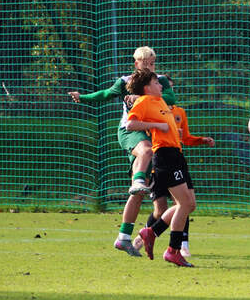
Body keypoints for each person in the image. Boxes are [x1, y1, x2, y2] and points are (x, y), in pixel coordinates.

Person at [68, 46, 175, 254]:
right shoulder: (127, 81)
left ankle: (124, 237)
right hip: (131, 131)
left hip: (152, 134)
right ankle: (138, 181)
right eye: (145, 63)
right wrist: (83, 97)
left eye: (152, 63)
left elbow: (171, 99)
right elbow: (105, 94)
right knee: (145, 153)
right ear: (136, 64)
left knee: (140, 193)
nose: (150, 67)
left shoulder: (159, 81)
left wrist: (142, 99)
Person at [128, 71, 196, 267]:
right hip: (165, 156)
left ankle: (152, 232)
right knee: (184, 204)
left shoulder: (160, 101)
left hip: (176, 155)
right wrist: (156, 125)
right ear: (147, 87)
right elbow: (130, 124)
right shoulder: (144, 101)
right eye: (156, 83)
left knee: (190, 204)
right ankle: (173, 251)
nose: (161, 86)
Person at [166, 102, 213, 261]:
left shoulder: (179, 111)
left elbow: (185, 138)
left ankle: (182, 244)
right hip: (160, 160)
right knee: (162, 208)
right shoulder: (153, 109)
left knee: (186, 204)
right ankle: (147, 234)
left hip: (177, 160)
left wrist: (201, 140)